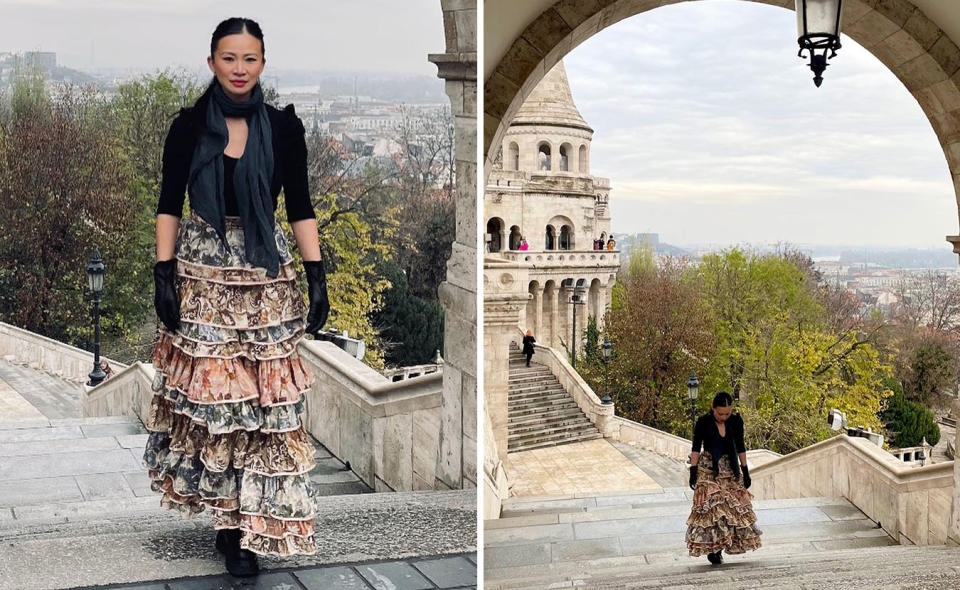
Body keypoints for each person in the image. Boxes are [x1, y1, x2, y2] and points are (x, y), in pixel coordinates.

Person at [146, 18, 328, 578]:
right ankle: (230, 527)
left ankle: (255, 522)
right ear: (211, 63)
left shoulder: (283, 128)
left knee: (266, 408)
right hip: (203, 274)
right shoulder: (188, 127)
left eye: (250, 59)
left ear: (263, 64)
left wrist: (317, 274)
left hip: (264, 276)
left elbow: (298, 203)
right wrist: (163, 272)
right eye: (229, 58)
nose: (240, 69)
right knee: (219, 408)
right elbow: (169, 203)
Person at [686, 392, 763, 564]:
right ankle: (714, 549)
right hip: (708, 470)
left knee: (730, 511)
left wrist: (745, 470)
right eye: (720, 413)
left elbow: (741, 446)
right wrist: (693, 471)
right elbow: (696, 448)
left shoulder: (736, 422)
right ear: (712, 408)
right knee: (713, 507)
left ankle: (721, 546)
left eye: (727, 413)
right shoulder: (703, 422)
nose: (724, 416)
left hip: (730, 469)